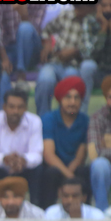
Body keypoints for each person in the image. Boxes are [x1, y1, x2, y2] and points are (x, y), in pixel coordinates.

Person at [0, 88, 44, 206]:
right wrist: (4, 159)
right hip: (0, 169)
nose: (16, 111)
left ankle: (36, 209)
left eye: (20, 107)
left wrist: (23, 160)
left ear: (25, 108)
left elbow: (37, 154)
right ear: (4, 107)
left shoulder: (35, 121)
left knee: (39, 169)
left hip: (24, 168)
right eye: (12, 107)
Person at [37, 4, 97, 116]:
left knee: (70, 85)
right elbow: (46, 30)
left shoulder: (94, 22)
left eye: (81, 7)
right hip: (54, 62)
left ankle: (65, 119)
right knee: (45, 80)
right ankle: (43, 119)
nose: (77, 10)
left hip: (75, 65)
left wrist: (75, 51)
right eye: (76, 7)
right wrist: (47, 44)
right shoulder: (66, 15)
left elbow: (93, 48)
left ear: (91, 8)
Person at [41, 76, 90, 208]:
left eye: (76, 98)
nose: (72, 102)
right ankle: (46, 213)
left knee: (84, 171)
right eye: (68, 97)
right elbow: (49, 155)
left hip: (74, 168)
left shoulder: (85, 121)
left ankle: (85, 214)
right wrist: (69, 177)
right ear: (60, 99)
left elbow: (80, 156)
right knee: (50, 173)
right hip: (54, 167)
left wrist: (71, 176)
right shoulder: (49, 119)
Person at [0, 4, 46, 96]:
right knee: (2, 75)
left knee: (25, 27)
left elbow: (35, 30)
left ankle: (21, 74)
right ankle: (5, 104)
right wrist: (4, 59)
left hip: (31, 50)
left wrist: (23, 14)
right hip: (10, 50)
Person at [89, 74, 111, 213]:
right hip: (109, 171)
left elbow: (102, 151)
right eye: (110, 97)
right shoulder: (97, 118)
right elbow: (94, 153)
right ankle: (101, 215)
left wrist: (109, 151)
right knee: (99, 165)